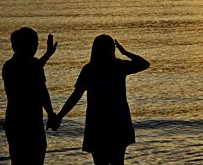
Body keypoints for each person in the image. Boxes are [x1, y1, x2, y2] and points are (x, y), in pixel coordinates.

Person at [51, 35, 149, 165]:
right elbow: (144, 64)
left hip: (97, 121)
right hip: (118, 120)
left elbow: (76, 96)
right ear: (112, 49)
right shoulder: (118, 66)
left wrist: (59, 116)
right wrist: (125, 52)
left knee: (100, 162)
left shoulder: (90, 69)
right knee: (118, 161)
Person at [2, 27, 58, 165]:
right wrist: (51, 113)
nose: (35, 47)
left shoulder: (9, 66)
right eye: (34, 43)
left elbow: (31, 70)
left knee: (19, 159)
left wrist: (47, 55)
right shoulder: (32, 66)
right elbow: (41, 91)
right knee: (35, 158)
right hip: (30, 122)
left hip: (15, 121)